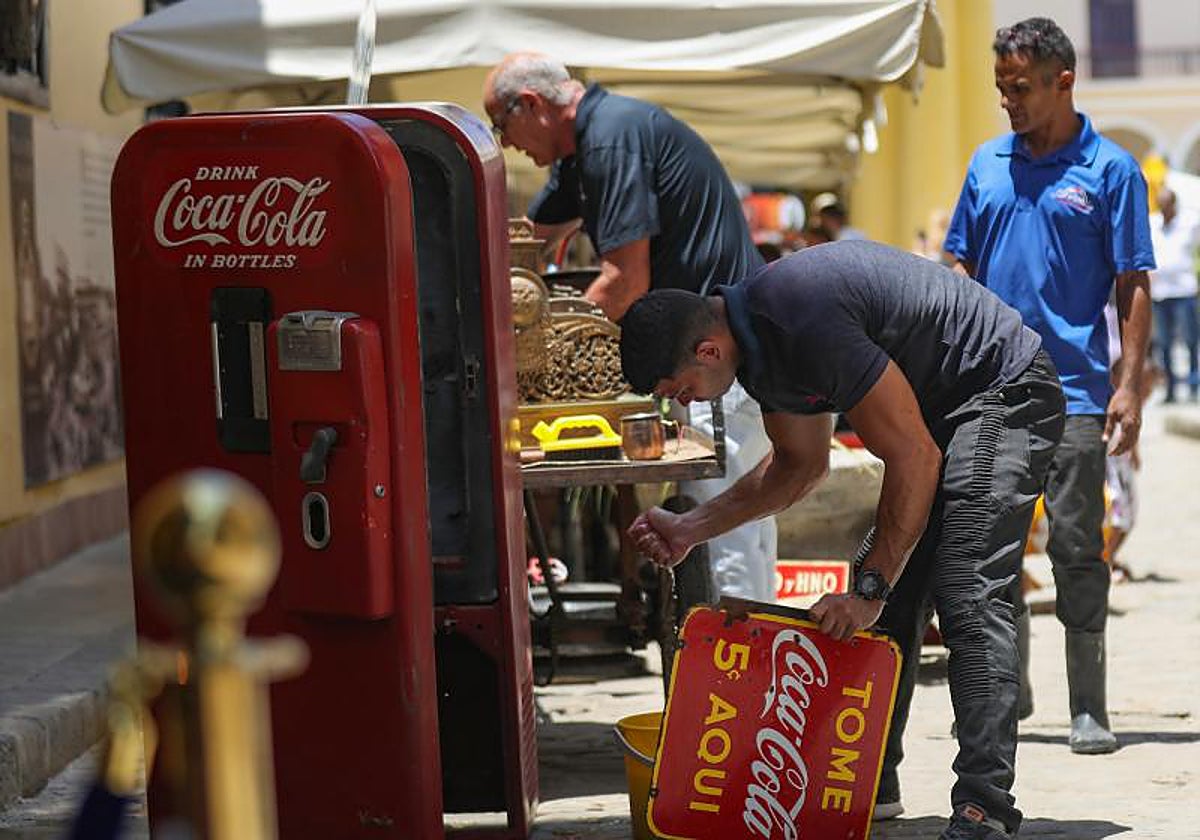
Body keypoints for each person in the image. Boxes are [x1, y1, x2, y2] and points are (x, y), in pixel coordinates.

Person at [621, 240, 1064, 840]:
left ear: (707, 350)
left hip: (1002, 390)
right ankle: (868, 783)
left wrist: (871, 590)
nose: (686, 403)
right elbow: (797, 468)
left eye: (681, 389)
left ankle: (986, 806)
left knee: (963, 586)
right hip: (941, 417)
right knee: (881, 580)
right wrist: (689, 530)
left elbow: (913, 455)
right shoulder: (758, 351)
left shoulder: (798, 318)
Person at [483, 53, 777, 601]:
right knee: (744, 524)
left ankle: (740, 674)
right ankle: (751, 666)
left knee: (722, 530)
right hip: (724, 350)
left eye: (502, 127)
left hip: (717, 363)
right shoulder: (587, 148)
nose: (507, 144)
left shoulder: (610, 140)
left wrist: (533, 354)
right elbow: (525, 240)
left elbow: (622, 282)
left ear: (531, 105)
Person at [943, 17, 1154, 760]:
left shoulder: (1111, 171)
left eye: (1021, 87)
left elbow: (1133, 286)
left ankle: (1088, 706)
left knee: (1074, 546)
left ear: (1064, 81)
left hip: (1078, 394)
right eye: (1001, 88)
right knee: (991, 551)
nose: (1009, 101)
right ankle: (1010, 686)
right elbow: (958, 270)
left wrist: (1129, 387)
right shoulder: (985, 164)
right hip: (989, 394)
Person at [1148, 186, 1199, 403]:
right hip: (1160, 293)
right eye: (1161, 206)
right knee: (1165, 342)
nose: (1164, 210)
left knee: (1190, 339)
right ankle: (1170, 389)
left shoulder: (1191, 223)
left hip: (1184, 290)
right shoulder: (1153, 223)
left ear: (1174, 205)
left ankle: (1193, 385)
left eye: (1167, 205)